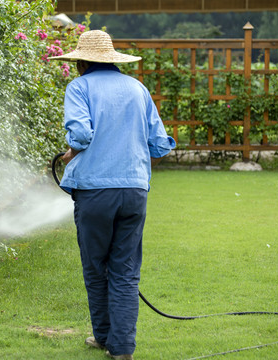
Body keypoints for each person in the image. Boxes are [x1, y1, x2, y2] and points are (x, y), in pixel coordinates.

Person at [49, 30, 176, 360]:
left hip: (94, 191)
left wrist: (70, 152)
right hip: (134, 191)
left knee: (96, 268)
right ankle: (122, 349)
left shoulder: (79, 87)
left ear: (81, 62)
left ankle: (103, 337)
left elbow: (80, 133)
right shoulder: (137, 88)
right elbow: (160, 145)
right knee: (125, 271)